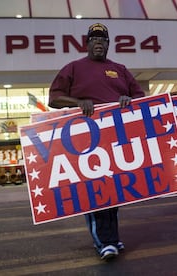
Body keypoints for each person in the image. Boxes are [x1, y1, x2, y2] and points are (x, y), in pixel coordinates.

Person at [48, 23, 146, 260]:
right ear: (88, 43)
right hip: (85, 138)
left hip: (116, 138)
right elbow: (54, 98)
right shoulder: (73, 68)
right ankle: (105, 242)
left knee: (114, 189)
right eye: (94, 40)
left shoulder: (120, 69)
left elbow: (140, 97)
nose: (99, 43)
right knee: (95, 190)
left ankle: (110, 237)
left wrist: (128, 99)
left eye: (103, 40)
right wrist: (78, 102)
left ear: (108, 44)